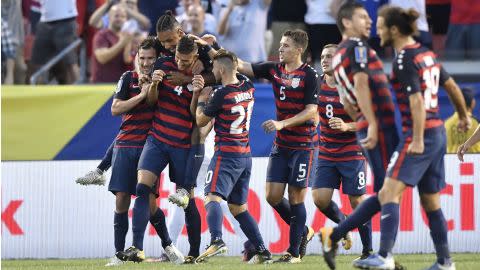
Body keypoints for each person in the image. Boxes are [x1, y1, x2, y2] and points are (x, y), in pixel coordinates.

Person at [354, 6, 470, 270]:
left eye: (381, 25)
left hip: (421, 134)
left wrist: (416, 139)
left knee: (388, 192)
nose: (377, 30)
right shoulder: (427, 54)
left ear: (394, 30)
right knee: (431, 201)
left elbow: (416, 101)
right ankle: (445, 262)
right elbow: (451, 85)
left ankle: (383, 256)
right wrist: (463, 115)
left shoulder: (404, 59)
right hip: (437, 131)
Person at [318, 3, 399, 269]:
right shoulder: (357, 48)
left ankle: (353, 241)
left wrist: (360, 122)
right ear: (347, 22)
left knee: (386, 191)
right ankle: (381, 255)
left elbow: (345, 97)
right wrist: (372, 123)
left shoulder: (341, 54)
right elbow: (362, 84)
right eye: (363, 17)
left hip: (365, 132)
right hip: (381, 128)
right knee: (389, 191)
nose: (369, 21)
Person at [115, 36, 201, 264]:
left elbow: (196, 116)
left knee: (188, 199)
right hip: (157, 139)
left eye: (186, 61)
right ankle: (137, 248)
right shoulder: (162, 66)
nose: (181, 64)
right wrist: (153, 85)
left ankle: (194, 252)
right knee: (142, 188)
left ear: (194, 58)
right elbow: (152, 102)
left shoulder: (200, 75)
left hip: (183, 144)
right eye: (178, 59)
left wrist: (192, 87)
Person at [235, 29, 318, 263]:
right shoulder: (274, 69)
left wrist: (282, 123)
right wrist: (212, 48)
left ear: (299, 50)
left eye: (286, 46)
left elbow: (311, 111)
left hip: (303, 144)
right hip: (282, 144)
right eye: (281, 45)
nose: (280, 49)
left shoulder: (310, 75)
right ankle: (304, 231)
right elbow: (242, 66)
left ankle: (294, 252)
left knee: (295, 197)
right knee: (272, 196)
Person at [103, 37, 183, 266]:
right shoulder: (128, 78)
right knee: (121, 200)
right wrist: (140, 95)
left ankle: (167, 244)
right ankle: (119, 254)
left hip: (151, 147)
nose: (146, 63)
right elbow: (115, 108)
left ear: (158, 59)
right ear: (137, 58)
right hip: (126, 145)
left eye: (150, 58)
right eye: (142, 58)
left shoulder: (164, 81)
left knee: (149, 203)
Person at [192, 49, 272, 264]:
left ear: (220, 69)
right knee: (238, 207)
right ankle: (262, 249)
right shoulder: (248, 86)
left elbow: (201, 122)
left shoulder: (220, 94)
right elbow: (234, 66)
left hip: (226, 154)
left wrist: (201, 99)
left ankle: (216, 240)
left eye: (215, 67)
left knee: (211, 197)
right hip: (245, 155)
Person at [312, 43, 372, 261]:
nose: (325, 60)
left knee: (358, 201)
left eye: (329, 56)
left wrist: (347, 126)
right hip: (327, 151)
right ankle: (344, 224)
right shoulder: (317, 83)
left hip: (351, 151)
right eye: (322, 56)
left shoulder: (352, 87)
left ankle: (368, 251)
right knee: (320, 198)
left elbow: (369, 120)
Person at [29, 0, 79, 84]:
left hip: (66, 19)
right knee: (37, 63)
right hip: (45, 20)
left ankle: (79, 93)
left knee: (70, 62)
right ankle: (38, 95)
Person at [90, 4, 134, 83]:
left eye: (123, 16)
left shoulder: (127, 36)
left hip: (121, 86)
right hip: (102, 84)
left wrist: (128, 44)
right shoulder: (102, 35)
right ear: (109, 17)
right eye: (116, 16)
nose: (120, 19)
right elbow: (102, 58)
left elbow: (128, 60)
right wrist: (122, 43)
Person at [445, 87, 480, 153]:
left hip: (450, 161)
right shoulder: (477, 122)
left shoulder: (446, 124)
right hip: (476, 161)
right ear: (473, 103)